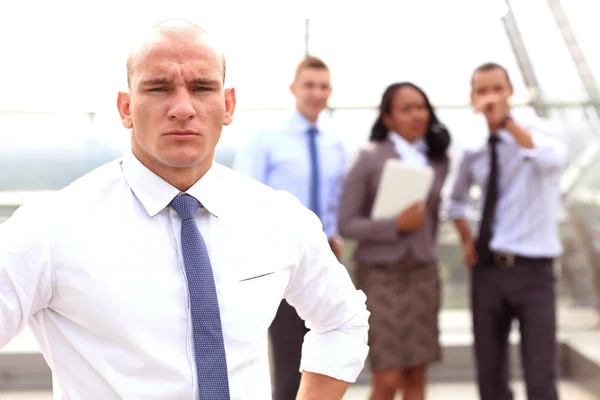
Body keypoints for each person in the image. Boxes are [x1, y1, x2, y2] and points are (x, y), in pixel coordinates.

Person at [0, 20, 369, 400]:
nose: (182, 108)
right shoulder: (50, 228)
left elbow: (344, 320)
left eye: (201, 88)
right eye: (159, 88)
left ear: (227, 105)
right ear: (126, 108)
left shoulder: (277, 218)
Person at [446, 62, 567, 400]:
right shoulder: (473, 147)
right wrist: (468, 240)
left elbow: (553, 161)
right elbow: (454, 203)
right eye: (482, 92)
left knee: (540, 374)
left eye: (497, 89)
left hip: (534, 270)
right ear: (472, 98)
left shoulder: (542, 133)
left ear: (510, 92)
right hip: (487, 271)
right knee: (490, 374)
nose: (491, 98)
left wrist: (508, 124)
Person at [233, 56, 346, 400]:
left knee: (323, 356)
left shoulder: (335, 145)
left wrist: (333, 233)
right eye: (309, 85)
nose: (316, 93)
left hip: (321, 261)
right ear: (294, 89)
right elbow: (243, 198)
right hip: (276, 262)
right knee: (287, 362)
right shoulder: (266, 139)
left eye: (323, 86)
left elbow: (335, 200)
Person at [337, 82, 451, 400]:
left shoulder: (438, 159)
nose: (417, 114)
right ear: (387, 119)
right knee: (387, 377)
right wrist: (395, 225)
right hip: (380, 276)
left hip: (423, 274)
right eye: (406, 109)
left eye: (421, 107)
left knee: (417, 374)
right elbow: (346, 224)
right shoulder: (369, 158)